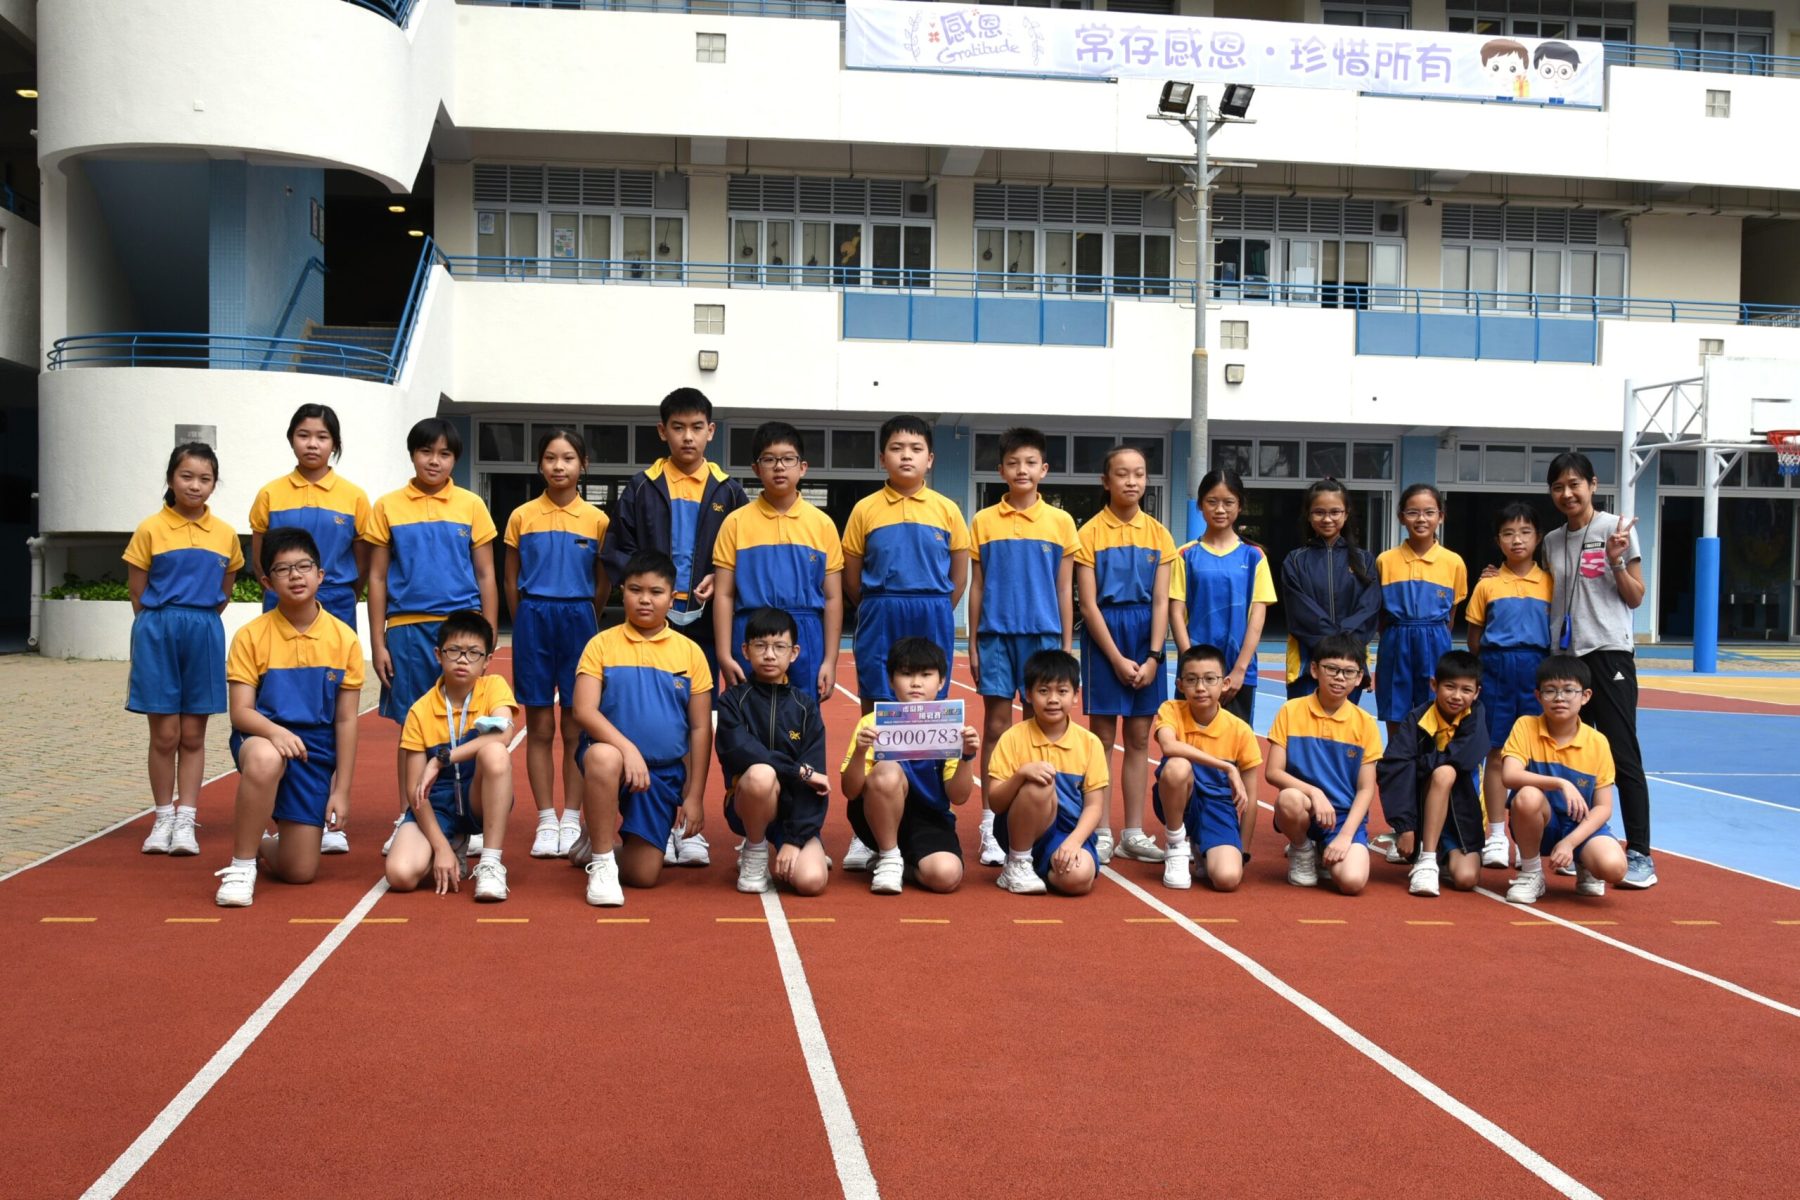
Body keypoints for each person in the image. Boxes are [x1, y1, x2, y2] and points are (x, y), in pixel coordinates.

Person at [601, 387, 746, 869]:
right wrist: (649, 587)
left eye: (697, 427)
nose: (688, 437)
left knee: (696, 722)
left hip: (703, 623)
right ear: (662, 431)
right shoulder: (641, 487)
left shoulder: (728, 490)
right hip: (650, 623)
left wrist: (720, 577)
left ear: (711, 431)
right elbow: (617, 549)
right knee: (652, 719)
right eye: (678, 428)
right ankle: (653, 821)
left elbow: (742, 550)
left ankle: (689, 823)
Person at [840, 415, 970, 870]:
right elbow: (852, 577)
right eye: (897, 448)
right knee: (878, 708)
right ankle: (869, 826)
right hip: (881, 609)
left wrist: (935, 607)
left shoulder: (948, 509)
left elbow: (959, 576)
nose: (906, 456)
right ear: (883, 457)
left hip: (931, 609)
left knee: (928, 704)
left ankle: (929, 808)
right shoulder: (865, 510)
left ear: (930, 459)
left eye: (916, 449)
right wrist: (880, 605)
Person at [367, 418, 498, 854]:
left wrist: (488, 634)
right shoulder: (387, 506)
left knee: (467, 722)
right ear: (412, 454)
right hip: (406, 629)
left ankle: (467, 818)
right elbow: (377, 578)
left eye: (444, 454)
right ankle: (411, 813)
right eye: (426, 452)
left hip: (461, 625)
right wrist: (378, 642)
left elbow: (486, 573)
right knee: (413, 728)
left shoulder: (471, 505)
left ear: (455, 459)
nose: (434, 461)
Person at [213, 529, 364, 907]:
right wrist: (276, 733)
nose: (295, 576)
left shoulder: (344, 639)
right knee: (267, 758)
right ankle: (241, 865)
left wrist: (342, 790)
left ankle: (263, 842)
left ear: (320, 575)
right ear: (267, 582)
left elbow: (346, 721)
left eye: (304, 567)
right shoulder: (251, 636)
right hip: (260, 736)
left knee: (299, 871)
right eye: (283, 569)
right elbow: (241, 712)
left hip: (314, 751)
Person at [247, 404, 372, 855]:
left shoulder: (354, 497)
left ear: (334, 443)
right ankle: (272, 808)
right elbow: (260, 557)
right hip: (280, 604)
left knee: (331, 707)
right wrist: (283, 584)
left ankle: (327, 807)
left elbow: (362, 561)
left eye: (322, 436)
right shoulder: (270, 494)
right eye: (303, 435)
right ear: (291, 440)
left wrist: (339, 591)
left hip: (334, 600)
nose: (312, 444)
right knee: (276, 702)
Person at [567, 551, 714, 908]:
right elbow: (583, 710)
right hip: (614, 761)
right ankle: (602, 862)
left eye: (655, 592)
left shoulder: (691, 653)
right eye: (635, 590)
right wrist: (628, 749)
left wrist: (694, 796)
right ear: (622, 592)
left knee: (643, 875)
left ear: (672, 597)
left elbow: (699, 728)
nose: (645, 599)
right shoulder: (601, 644)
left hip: (662, 773)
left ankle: (598, 839)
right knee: (603, 756)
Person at [966, 426, 1078, 869]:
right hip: (996, 635)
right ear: (1000, 470)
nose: (1022, 470)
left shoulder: (1061, 522)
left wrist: (1066, 647)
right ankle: (991, 822)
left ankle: (1036, 816)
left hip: (1044, 638)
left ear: (1044, 469)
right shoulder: (983, 520)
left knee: (1040, 726)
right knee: (996, 726)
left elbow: (1065, 588)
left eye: (1030, 463)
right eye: (1013, 463)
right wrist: (973, 642)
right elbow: (977, 587)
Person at [1541, 451, 1654, 889]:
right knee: (1575, 757)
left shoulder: (1615, 529)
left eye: (1575, 484)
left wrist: (1616, 560)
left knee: (1621, 754)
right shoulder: (1552, 541)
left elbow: (1636, 597)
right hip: (1567, 660)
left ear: (1592, 484)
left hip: (1609, 654)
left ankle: (1640, 853)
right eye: (1558, 487)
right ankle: (1583, 848)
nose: (1567, 493)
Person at [126, 442, 244, 858]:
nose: (195, 485)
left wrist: (197, 621)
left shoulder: (226, 535)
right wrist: (161, 625)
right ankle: (162, 817)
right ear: (171, 479)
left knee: (193, 734)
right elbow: (137, 593)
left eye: (205, 478)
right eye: (186, 476)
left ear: (214, 484)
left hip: (204, 631)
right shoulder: (150, 529)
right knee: (165, 734)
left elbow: (224, 593)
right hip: (158, 631)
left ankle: (186, 819)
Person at [504, 427, 609, 860]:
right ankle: (546, 819)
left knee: (575, 726)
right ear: (540, 464)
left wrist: (586, 614)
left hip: (579, 619)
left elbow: (603, 583)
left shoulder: (598, 520)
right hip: (534, 618)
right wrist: (524, 619)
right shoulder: (521, 516)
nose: (559, 466)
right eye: (550, 458)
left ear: (583, 465)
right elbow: (510, 578)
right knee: (540, 726)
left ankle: (571, 817)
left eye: (568, 458)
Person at [1075, 445, 1175, 867]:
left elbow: (1161, 601)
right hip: (1105, 637)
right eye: (1122, 473)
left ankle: (1132, 832)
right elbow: (1087, 605)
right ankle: (1100, 830)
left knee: (1138, 738)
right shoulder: (1089, 534)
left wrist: (1153, 657)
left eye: (1139, 473)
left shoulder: (1159, 534)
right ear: (1106, 481)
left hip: (1145, 635)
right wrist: (1116, 658)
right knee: (1101, 739)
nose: (1132, 481)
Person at [1170, 466, 1275, 853]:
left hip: (1236, 674)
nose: (1220, 509)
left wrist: (1239, 670)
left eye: (1228, 502)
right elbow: (1176, 610)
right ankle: (1188, 835)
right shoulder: (1186, 555)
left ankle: (1237, 841)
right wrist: (1191, 667)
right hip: (1197, 676)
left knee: (1239, 756)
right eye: (1212, 501)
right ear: (1200, 505)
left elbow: (1257, 614)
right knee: (1190, 753)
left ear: (1240, 506)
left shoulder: (1254, 556)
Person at [384, 611, 517, 902]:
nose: (463, 660)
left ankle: (491, 862)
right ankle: (450, 843)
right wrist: (440, 848)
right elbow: (415, 790)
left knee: (495, 752)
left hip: (478, 795)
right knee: (400, 875)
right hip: (438, 803)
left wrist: (441, 758)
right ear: (438, 655)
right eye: (454, 651)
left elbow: (504, 734)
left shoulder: (493, 687)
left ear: (487, 660)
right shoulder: (419, 711)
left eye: (473, 653)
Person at [711, 421, 843, 703]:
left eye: (788, 459)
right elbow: (723, 594)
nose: (779, 467)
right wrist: (724, 654)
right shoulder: (735, 523)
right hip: (751, 629)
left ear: (802, 467)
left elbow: (833, 598)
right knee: (748, 712)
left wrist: (830, 660)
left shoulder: (822, 524)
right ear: (756, 468)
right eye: (769, 459)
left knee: (802, 713)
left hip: (805, 631)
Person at [839, 637, 979, 897]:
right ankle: (889, 855)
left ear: (941, 681)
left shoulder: (951, 728)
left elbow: (959, 797)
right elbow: (850, 791)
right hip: (877, 814)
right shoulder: (872, 723)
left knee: (946, 876)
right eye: (906, 674)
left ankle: (903, 867)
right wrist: (859, 752)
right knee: (887, 770)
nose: (916, 683)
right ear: (891, 681)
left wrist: (967, 757)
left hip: (929, 818)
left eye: (926, 675)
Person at [1374, 483, 1467, 862]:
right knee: (1399, 740)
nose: (1421, 519)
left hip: (1435, 646)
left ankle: (1435, 825)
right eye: (1413, 511)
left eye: (1429, 511)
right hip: (1396, 646)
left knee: (1436, 739)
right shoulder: (1385, 561)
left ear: (1441, 516)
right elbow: (1380, 617)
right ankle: (1403, 825)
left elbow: (1451, 618)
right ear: (1401, 517)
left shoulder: (1454, 562)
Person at [715, 607, 831, 896]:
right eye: (760, 646)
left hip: (793, 810)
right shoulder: (732, 701)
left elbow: (816, 780)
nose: (769, 655)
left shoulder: (806, 707)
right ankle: (755, 849)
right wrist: (796, 771)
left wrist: (795, 839)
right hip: (747, 802)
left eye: (779, 647)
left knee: (811, 881)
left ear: (794, 653)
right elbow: (740, 750)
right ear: (745, 651)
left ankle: (790, 842)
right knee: (761, 774)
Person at [1500, 654, 1629, 904]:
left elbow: (1603, 807)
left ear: (1585, 696)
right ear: (1538, 696)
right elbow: (1509, 775)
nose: (1559, 698)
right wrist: (1561, 783)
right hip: (1542, 822)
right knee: (1527, 796)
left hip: (1580, 826)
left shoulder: (1597, 742)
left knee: (1614, 868)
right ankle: (1531, 873)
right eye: (1550, 691)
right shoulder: (1525, 726)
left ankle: (1585, 863)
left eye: (1569, 690)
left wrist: (1570, 843)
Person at [1465, 502, 1551, 870]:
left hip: (1536, 671)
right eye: (1508, 533)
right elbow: (1474, 638)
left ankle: (1536, 837)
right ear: (1498, 540)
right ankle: (1497, 835)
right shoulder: (1487, 584)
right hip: (1497, 669)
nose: (1517, 540)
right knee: (1497, 753)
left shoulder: (1552, 583)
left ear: (1538, 537)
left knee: (1538, 753)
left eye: (1525, 532)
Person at [1266, 634, 1383, 895]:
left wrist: (1345, 837)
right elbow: (1273, 772)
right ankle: (1302, 848)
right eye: (1331, 669)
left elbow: (1366, 789)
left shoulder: (1365, 723)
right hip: (1305, 808)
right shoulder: (1291, 711)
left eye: (1348, 672)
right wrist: (1314, 792)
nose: (1339, 677)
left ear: (1359, 678)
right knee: (1288, 799)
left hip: (1343, 817)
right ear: (1314, 669)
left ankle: (1327, 847)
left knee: (1352, 882)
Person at [986, 649, 1108, 896]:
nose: (1053, 699)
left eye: (1062, 691)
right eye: (1043, 691)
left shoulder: (1090, 743)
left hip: (1068, 831)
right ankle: (1018, 861)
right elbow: (996, 803)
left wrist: (1073, 842)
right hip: (1020, 830)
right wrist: (1021, 775)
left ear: (1076, 695)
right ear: (1028, 694)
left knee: (1078, 879)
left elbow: (1094, 806)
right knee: (1038, 783)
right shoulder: (1013, 738)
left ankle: (1042, 868)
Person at [1151, 644, 1263, 893]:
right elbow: (1168, 745)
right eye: (1192, 680)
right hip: (1180, 799)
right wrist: (1227, 768)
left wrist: (1243, 852)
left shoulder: (1240, 730)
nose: (1200, 687)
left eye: (1210, 679)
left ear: (1225, 683)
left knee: (1227, 879)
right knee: (1177, 766)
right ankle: (1176, 845)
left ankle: (1202, 847)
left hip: (1218, 807)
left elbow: (1251, 798)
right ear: (1180, 685)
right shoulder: (1170, 709)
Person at [1377, 650, 1490, 898]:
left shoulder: (1476, 716)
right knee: (1443, 773)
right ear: (1434, 684)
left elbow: (1463, 757)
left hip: (1462, 812)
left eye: (1466, 690)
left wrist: (1419, 763)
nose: (1457, 696)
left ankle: (1443, 853)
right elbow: (1394, 767)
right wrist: (1405, 827)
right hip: (1422, 810)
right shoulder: (1417, 719)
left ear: (1477, 693)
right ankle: (1427, 859)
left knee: (1466, 879)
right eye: (1450, 687)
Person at [1280, 478, 1379, 703]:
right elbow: (1300, 611)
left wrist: (1344, 648)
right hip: (1308, 663)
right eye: (1319, 512)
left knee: (1344, 723)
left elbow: (1369, 609)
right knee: (1304, 723)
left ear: (1346, 514)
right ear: (1308, 515)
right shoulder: (1295, 560)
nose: (1327, 519)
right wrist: (1332, 647)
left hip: (1350, 663)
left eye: (1335, 512)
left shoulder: (1364, 560)